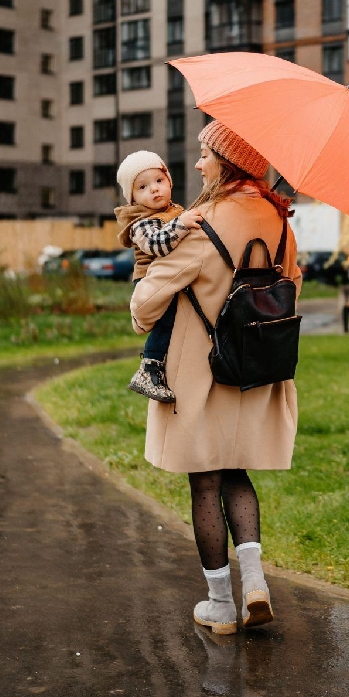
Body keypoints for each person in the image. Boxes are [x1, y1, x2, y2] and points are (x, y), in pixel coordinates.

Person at [130, 121, 300, 635]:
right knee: (238, 473)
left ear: (227, 161)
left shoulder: (201, 222)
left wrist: (141, 290)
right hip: (256, 370)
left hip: (201, 373)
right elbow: (293, 283)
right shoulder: (280, 218)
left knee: (205, 481)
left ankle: (220, 607)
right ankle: (256, 585)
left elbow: (146, 304)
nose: (199, 163)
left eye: (206, 153)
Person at [114, 151, 202, 402]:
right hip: (150, 280)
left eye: (159, 181)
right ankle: (149, 367)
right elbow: (156, 245)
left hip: (169, 277)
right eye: (143, 187)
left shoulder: (174, 211)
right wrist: (182, 224)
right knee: (166, 319)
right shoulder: (141, 221)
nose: (154, 190)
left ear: (169, 181)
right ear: (133, 198)